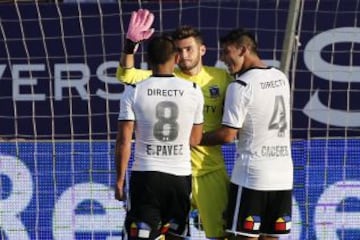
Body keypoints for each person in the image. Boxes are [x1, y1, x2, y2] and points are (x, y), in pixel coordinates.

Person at [117, 9, 233, 239]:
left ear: (202, 49)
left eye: (189, 48)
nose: (184, 54)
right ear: (174, 57)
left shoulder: (221, 78)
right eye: (179, 50)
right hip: (177, 170)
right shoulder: (169, 78)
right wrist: (130, 45)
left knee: (221, 234)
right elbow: (125, 74)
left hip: (209, 171)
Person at [200, 28, 293, 240]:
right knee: (271, 237)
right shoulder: (280, 77)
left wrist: (194, 139)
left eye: (226, 52)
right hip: (283, 175)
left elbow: (227, 135)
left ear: (243, 49)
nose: (223, 59)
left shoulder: (240, 85)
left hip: (253, 176)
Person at [114, 35, 204, 240]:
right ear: (176, 58)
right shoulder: (193, 90)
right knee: (176, 235)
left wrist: (119, 181)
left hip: (146, 177)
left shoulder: (134, 91)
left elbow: (123, 141)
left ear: (148, 60)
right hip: (179, 178)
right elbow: (195, 139)